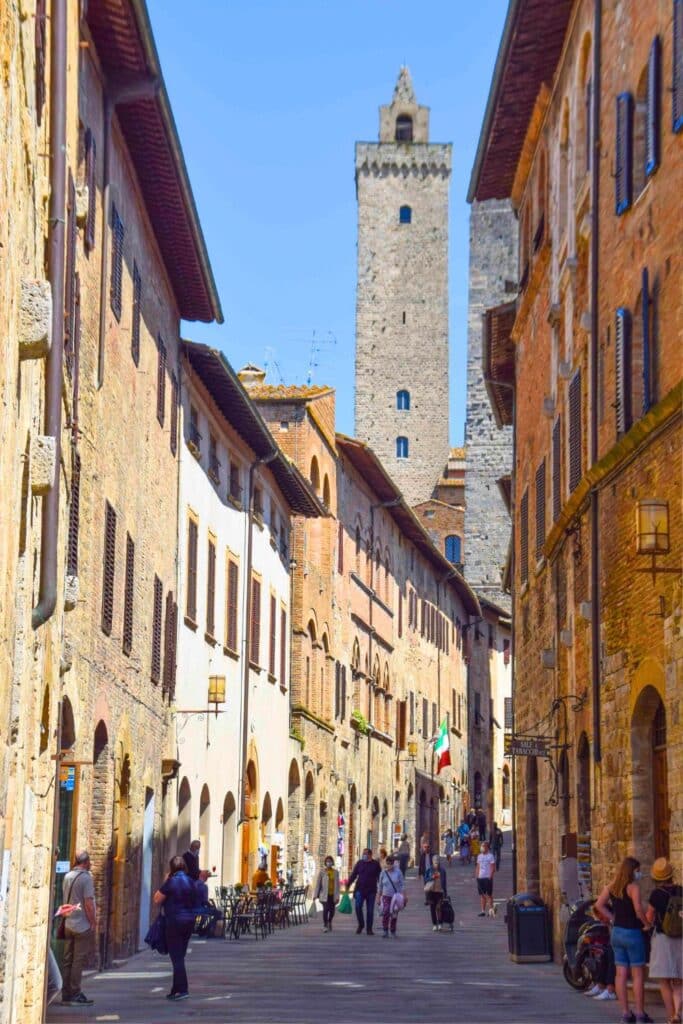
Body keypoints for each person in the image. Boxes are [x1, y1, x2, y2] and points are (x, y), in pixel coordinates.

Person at [596, 856, 652, 1024]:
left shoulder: (612, 886)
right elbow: (638, 909)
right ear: (631, 871)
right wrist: (647, 924)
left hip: (617, 932)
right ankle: (640, 1013)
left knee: (620, 974)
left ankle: (626, 1013)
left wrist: (612, 918)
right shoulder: (633, 887)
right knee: (637, 974)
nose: (639, 873)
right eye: (637, 870)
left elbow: (599, 904)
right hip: (632, 933)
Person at [154, 854, 200, 1002]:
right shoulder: (191, 882)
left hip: (174, 921)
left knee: (177, 957)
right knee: (179, 956)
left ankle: (183, 989)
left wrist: (166, 880)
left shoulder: (172, 882)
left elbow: (157, 899)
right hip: (189, 921)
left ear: (172, 868)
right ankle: (175, 989)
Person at [645, 857, 682, 1024]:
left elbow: (649, 917)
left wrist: (645, 926)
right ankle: (678, 1013)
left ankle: (670, 1016)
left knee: (665, 981)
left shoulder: (656, 894)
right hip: (681, 939)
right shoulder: (681, 891)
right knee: (679, 980)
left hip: (662, 939)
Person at [60, 851, 97, 1007]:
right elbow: (88, 903)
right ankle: (75, 993)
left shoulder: (67, 876)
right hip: (82, 925)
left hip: (68, 923)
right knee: (78, 960)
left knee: (68, 959)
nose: (90, 864)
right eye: (89, 861)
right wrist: (93, 921)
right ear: (86, 862)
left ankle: (66, 993)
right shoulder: (86, 879)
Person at [348, 848, 381, 935]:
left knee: (370, 910)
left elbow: (380, 878)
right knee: (358, 907)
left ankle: (369, 929)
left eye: (365, 854)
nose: (364, 855)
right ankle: (361, 924)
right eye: (363, 854)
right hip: (360, 889)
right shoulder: (359, 863)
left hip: (371, 891)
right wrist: (348, 884)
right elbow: (354, 874)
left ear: (370, 855)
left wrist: (382, 890)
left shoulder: (375, 864)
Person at [377, 854, 405, 937]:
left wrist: (404, 895)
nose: (389, 865)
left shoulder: (398, 872)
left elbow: (402, 884)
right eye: (387, 863)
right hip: (386, 896)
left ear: (393, 864)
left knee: (394, 913)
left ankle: (393, 930)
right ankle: (385, 930)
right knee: (385, 911)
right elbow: (380, 886)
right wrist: (378, 896)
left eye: (390, 863)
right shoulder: (383, 872)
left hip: (396, 896)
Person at [314, 855, 340, 932]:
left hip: (333, 894)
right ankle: (325, 925)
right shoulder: (322, 872)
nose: (329, 863)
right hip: (324, 895)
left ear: (332, 862)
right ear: (325, 863)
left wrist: (338, 896)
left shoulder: (335, 872)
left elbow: (338, 885)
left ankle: (329, 921)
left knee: (332, 911)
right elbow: (318, 884)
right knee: (325, 910)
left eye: (330, 861)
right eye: (327, 861)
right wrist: (315, 895)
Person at [424, 855, 447, 931]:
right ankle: (434, 924)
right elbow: (425, 879)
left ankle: (440, 923)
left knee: (439, 908)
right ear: (432, 862)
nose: (436, 863)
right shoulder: (429, 870)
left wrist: (445, 893)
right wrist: (432, 877)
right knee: (432, 908)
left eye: (437, 861)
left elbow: (444, 882)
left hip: (440, 891)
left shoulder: (442, 870)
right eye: (435, 861)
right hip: (431, 891)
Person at [475, 840, 496, 916]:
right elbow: (478, 866)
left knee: (489, 895)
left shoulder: (490, 856)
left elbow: (493, 867)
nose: (482, 847)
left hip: (487, 878)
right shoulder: (479, 856)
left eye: (483, 846)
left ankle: (491, 910)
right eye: (481, 846)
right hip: (480, 878)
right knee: (482, 895)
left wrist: (490, 876)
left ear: (487, 847)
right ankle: (483, 911)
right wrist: (476, 875)